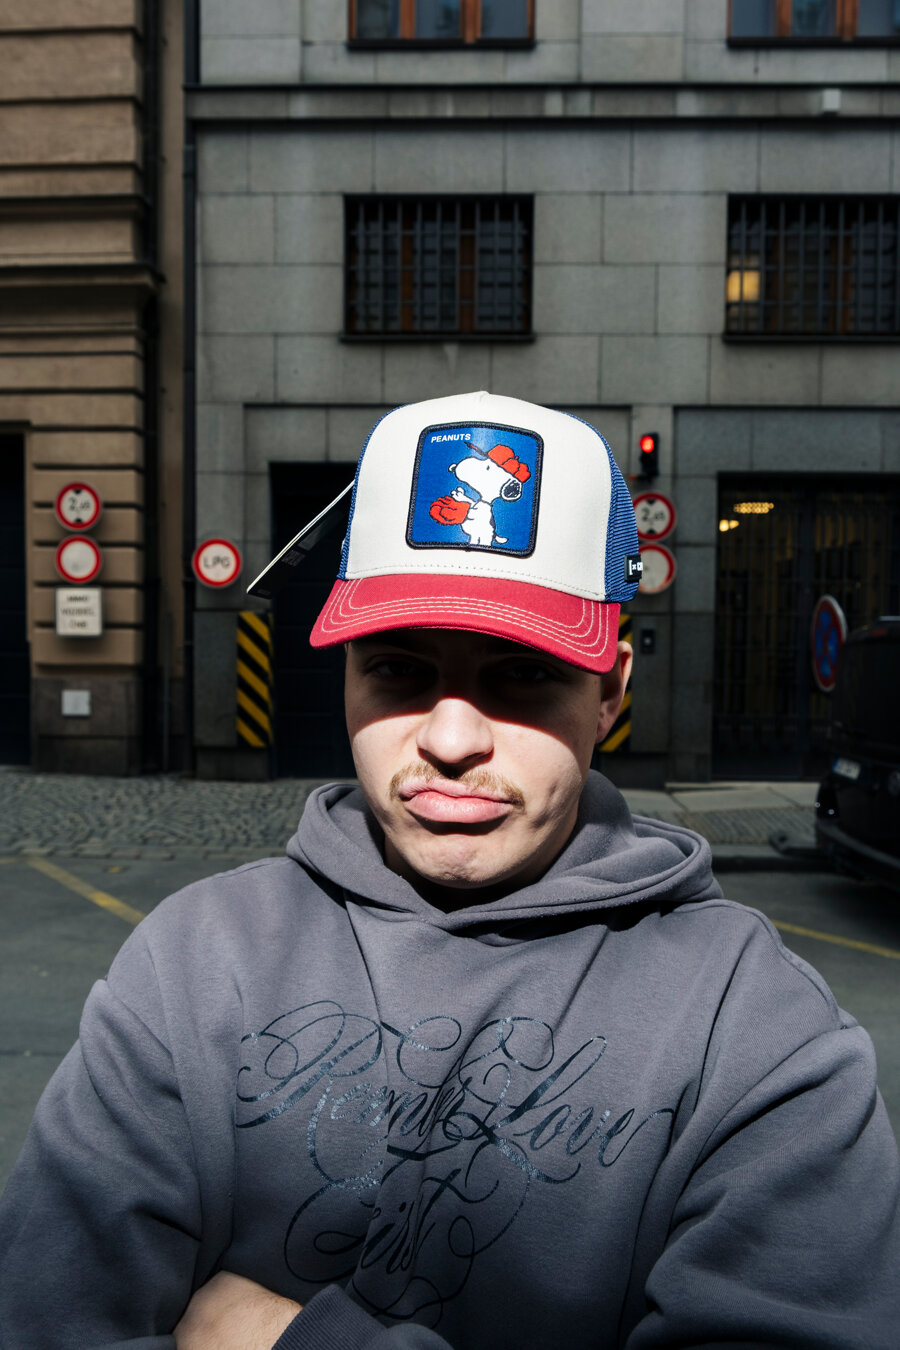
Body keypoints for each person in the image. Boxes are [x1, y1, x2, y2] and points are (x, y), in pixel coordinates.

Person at [1, 391, 897, 1350]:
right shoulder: (192, 964)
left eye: (524, 673)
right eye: (398, 668)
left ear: (609, 694)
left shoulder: (759, 1029)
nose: (453, 738)